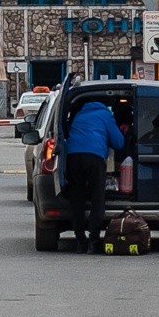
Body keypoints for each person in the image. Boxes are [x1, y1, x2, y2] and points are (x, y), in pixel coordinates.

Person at [65, 98, 124, 253]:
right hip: (94, 157)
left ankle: (80, 240)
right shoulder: (105, 114)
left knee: (77, 198)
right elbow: (118, 142)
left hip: (73, 156)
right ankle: (93, 239)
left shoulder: (79, 115)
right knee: (98, 197)